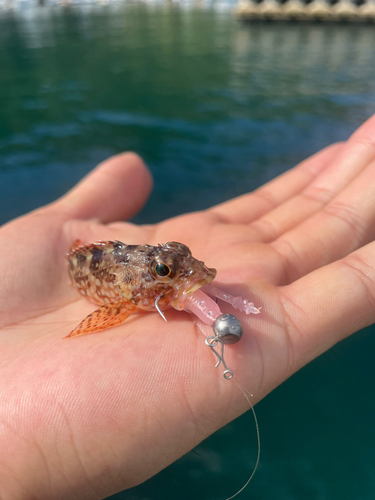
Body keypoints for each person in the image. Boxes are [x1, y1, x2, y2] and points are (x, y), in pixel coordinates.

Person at [1, 113, 375, 499]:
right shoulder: (126, 298)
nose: (195, 274)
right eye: (165, 271)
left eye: (179, 260)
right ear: (141, 285)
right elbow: (100, 315)